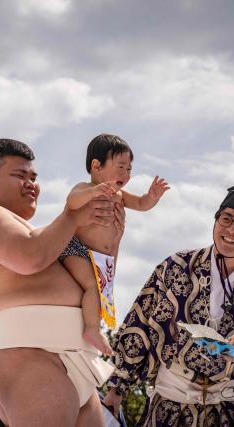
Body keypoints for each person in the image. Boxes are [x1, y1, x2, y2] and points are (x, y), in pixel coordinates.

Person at [0, 138, 124, 426]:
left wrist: (111, 243)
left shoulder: (45, 234)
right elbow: (30, 257)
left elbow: (96, 286)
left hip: (75, 358)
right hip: (31, 354)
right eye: (20, 176)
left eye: (33, 177)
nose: (31, 184)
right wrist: (73, 215)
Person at [103, 183, 234, 426]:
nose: (231, 230)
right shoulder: (177, 266)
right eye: (226, 219)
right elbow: (139, 327)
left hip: (230, 411)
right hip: (169, 405)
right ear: (215, 220)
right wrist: (117, 388)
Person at [62, 133, 170, 355]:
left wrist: (152, 196)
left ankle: (95, 327)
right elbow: (72, 202)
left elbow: (141, 204)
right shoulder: (85, 187)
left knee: (101, 293)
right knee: (92, 286)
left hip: (102, 259)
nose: (126, 173)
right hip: (77, 250)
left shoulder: (120, 195)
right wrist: (93, 192)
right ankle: (91, 329)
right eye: (120, 166)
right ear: (96, 166)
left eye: (129, 169)